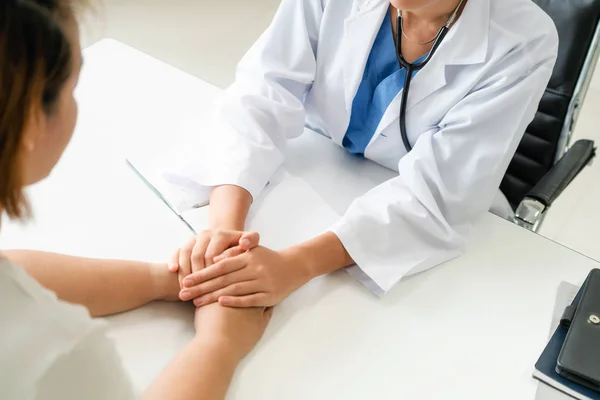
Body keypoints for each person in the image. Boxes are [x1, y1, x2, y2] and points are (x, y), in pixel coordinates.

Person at [168, 0, 559, 304]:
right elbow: (262, 93)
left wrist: (295, 266)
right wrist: (224, 228)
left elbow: (438, 196)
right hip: (321, 169)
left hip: (418, 225)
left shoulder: (523, 40)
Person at [0, 1, 271, 399]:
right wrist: (218, 346)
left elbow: (10, 274)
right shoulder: (59, 351)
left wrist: (165, 280)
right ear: (34, 122)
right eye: (74, 86)